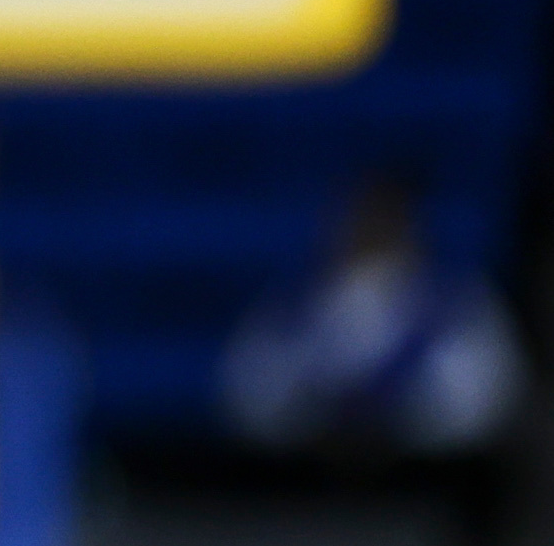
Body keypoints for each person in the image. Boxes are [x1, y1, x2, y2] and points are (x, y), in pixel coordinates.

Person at [222, 174, 524, 457]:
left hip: (423, 481)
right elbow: (248, 400)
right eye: (362, 218)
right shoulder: (292, 308)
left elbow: (485, 405)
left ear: (414, 227)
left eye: (387, 219)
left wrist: (394, 416)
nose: (372, 230)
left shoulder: (459, 306)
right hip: (307, 480)